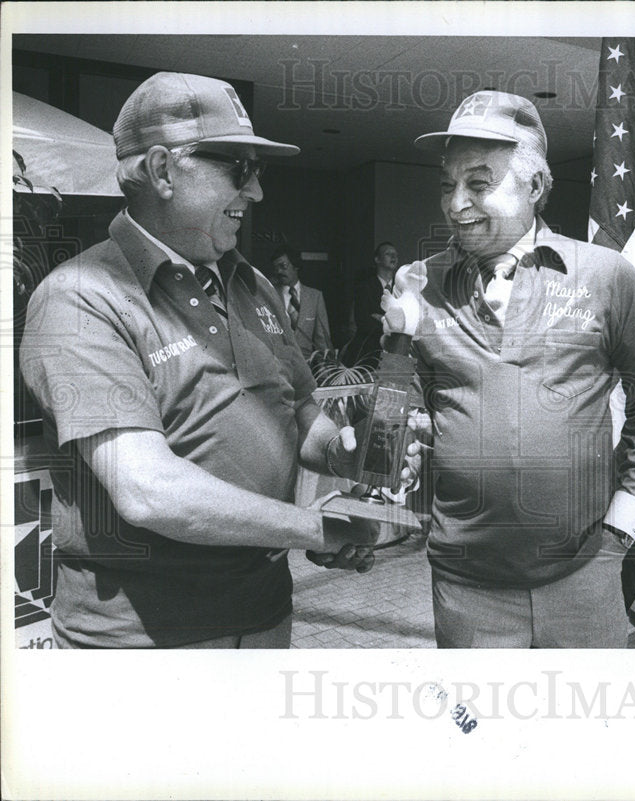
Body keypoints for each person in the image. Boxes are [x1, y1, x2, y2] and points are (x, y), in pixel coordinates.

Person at [18, 72, 418, 649]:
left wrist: (343, 452)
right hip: (141, 644)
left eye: (258, 173)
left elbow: (303, 412)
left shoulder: (251, 284)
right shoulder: (81, 297)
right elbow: (148, 489)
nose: (255, 193)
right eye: (239, 168)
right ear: (162, 170)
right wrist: (313, 529)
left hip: (262, 616)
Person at [396, 90, 635, 648]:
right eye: (446, 185)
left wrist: (618, 535)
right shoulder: (418, 283)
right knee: (477, 735)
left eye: (479, 184)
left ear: (534, 186)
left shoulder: (604, 275)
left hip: (585, 578)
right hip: (464, 587)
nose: (458, 204)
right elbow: (397, 415)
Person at [270, 244, 335, 362]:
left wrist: (325, 372)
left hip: (307, 366)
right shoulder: (269, 294)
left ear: (296, 266)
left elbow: (322, 339)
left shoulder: (315, 297)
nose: (279, 271)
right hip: (278, 365)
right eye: (276, 268)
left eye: (283, 266)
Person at [342, 241, 399, 370]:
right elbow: (364, 321)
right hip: (372, 351)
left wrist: (381, 318)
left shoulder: (403, 288)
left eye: (395, 254)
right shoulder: (365, 287)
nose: (393, 257)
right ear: (377, 259)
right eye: (388, 254)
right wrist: (393, 323)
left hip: (399, 350)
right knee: (371, 387)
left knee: (398, 387)